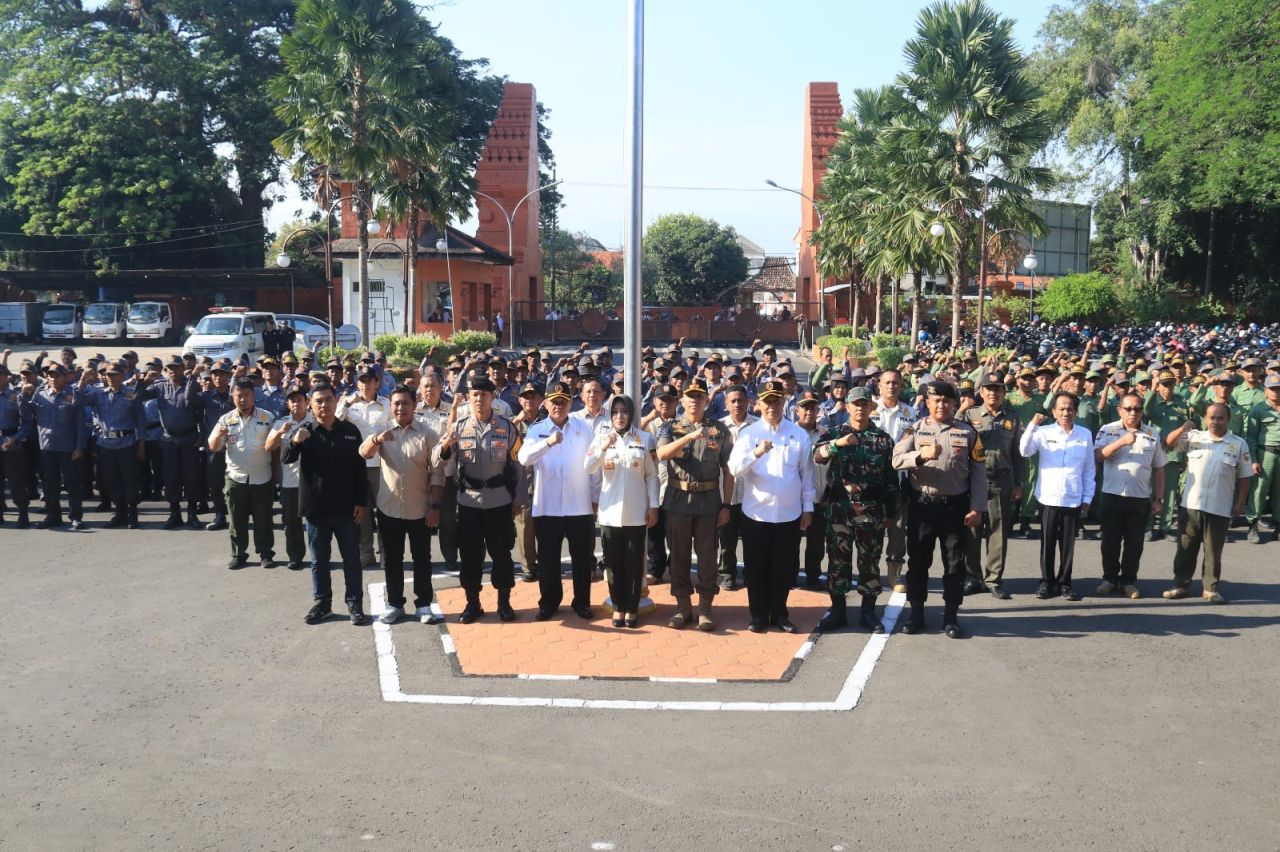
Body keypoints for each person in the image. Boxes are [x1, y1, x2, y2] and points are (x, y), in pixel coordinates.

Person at [891, 381, 986, 638]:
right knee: (919, 563)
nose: (941, 405)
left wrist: (977, 507)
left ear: (954, 403)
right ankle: (916, 614)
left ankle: (951, 616)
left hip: (955, 508)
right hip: (922, 506)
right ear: (928, 403)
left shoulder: (968, 433)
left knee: (954, 564)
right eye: (936, 401)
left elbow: (979, 473)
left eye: (946, 401)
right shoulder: (914, 429)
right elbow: (896, 459)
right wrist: (920, 456)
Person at [434, 376, 527, 624]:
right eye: (474, 394)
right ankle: (472, 603)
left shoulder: (507, 428)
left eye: (483, 394)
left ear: (492, 397)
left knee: (502, 555)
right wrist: (446, 445)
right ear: (468, 398)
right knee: (471, 557)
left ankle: (504, 603)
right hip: (469, 504)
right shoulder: (458, 427)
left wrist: (518, 500)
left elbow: (518, 467)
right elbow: (437, 460)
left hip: (500, 503)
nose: (479, 399)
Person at [727, 379, 814, 633]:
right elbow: (734, 469)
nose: (772, 406)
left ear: (784, 402)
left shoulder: (798, 434)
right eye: (767, 401)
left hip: (788, 514)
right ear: (758, 404)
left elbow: (806, 475)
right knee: (756, 569)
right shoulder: (749, 434)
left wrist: (808, 508)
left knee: (784, 568)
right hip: (757, 514)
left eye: (776, 400)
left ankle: (780, 613)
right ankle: (757, 615)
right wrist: (755, 453)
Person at [812, 386, 899, 633]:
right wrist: (838, 444)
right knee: (838, 561)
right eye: (855, 404)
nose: (860, 408)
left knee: (869, 561)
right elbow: (817, 456)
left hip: (871, 509)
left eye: (864, 404)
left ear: (872, 407)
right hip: (840, 507)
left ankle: (868, 613)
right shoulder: (834, 433)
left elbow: (891, 480)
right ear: (847, 407)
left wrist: (892, 512)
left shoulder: (883, 439)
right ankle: (838, 610)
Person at [283, 383, 370, 625]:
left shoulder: (351, 431)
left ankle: (355, 603)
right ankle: (322, 603)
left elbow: (359, 470)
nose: (324, 405)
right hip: (316, 509)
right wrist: (295, 442)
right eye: (318, 401)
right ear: (311, 404)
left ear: (336, 401)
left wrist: (362, 503)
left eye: (328, 399)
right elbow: (286, 458)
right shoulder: (305, 430)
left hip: (346, 509)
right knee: (319, 561)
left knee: (351, 559)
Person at [360, 386, 445, 625]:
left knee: (422, 558)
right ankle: (395, 603)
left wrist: (435, 506)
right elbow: (364, 454)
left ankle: (424, 604)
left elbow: (437, 473)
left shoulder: (427, 434)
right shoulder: (383, 431)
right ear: (391, 406)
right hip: (389, 508)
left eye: (405, 403)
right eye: (396, 403)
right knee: (393, 559)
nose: (400, 408)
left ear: (413, 405)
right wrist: (377, 440)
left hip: (420, 509)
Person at [655, 378, 734, 631]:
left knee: (708, 556)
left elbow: (728, 470)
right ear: (682, 400)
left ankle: (705, 608)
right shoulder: (670, 427)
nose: (694, 400)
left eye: (699, 396)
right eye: (690, 396)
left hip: (709, 503)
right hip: (677, 501)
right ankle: (682, 607)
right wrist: (689, 436)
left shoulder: (719, 430)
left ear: (706, 400)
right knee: (677, 556)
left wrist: (727, 505)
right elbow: (662, 454)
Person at [518, 381, 600, 620]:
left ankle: (582, 602)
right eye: (554, 402)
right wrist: (547, 442)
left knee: (582, 559)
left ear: (570, 403)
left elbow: (594, 468)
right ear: (546, 403)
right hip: (548, 506)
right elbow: (524, 458)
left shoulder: (583, 428)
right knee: (548, 559)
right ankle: (549, 602)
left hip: (579, 505)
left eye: (563, 402)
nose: (558, 406)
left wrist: (594, 500)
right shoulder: (537, 429)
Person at [1163, 404, 1253, 603]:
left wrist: (1240, 502)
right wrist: (1183, 427)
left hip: (1219, 507)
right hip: (1191, 504)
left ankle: (1210, 589)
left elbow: (1245, 476)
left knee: (1213, 551)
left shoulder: (1238, 444)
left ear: (1227, 420)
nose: (1216, 421)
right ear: (1205, 418)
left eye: (1220, 418)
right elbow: (1169, 443)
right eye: (1211, 417)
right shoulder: (1194, 437)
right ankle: (1181, 585)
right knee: (1185, 548)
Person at [585, 395, 660, 628]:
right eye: (615, 412)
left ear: (631, 414)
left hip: (636, 513)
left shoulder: (645, 439)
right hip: (609, 513)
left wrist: (654, 506)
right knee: (613, 562)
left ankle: (632, 606)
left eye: (624, 411)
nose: (620, 416)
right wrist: (603, 448)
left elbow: (652, 475)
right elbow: (588, 467)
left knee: (634, 563)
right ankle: (618, 606)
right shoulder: (601, 438)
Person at [1018, 391, 1095, 601]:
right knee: (1048, 542)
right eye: (1061, 408)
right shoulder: (1043, 432)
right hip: (1049, 497)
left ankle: (1065, 583)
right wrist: (1032, 425)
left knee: (1068, 545)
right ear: (1053, 411)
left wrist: (1088, 497)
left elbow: (1089, 469)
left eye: (1070, 408)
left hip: (1073, 496)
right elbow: (1024, 451)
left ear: (1075, 411)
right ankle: (1046, 581)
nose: (1066, 412)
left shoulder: (1085, 434)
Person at [1094, 392, 1167, 598]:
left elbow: (1159, 468)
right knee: (1110, 541)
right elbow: (1097, 456)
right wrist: (1122, 442)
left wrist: (1158, 499)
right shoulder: (1108, 430)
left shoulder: (1153, 433)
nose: (1133, 413)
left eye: (1137, 409)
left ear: (1142, 410)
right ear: (1120, 410)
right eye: (1128, 409)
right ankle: (1109, 578)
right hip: (1112, 494)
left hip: (1139, 497)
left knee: (1135, 542)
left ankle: (1128, 581)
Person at [959, 371, 1024, 599]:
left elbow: (1018, 453)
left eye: (997, 389)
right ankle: (973, 577)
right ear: (981, 392)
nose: (993, 393)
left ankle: (993, 579)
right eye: (989, 389)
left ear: (1003, 392)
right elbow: (956, 437)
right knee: (973, 531)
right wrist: (961, 409)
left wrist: (1019, 483)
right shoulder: (970, 414)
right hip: (976, 480)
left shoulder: (1013, 418)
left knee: (998, 531)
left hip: (1002, 480)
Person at [207, 378, 276, 570]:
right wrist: (220, 434)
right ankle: (239, 554)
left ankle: (265, 554)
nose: (243, 399)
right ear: (233, 396)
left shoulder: (267, 417)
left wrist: (276, 475)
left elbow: (275, 448)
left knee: (263, 519)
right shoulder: (225, 420)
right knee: (236, 520)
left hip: (262, 476)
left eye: (246, 395)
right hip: (236, 477)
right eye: (239, 395)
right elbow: (213, 446)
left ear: (254, 396)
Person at [21, 363, 88, 529]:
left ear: (64, 377)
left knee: (73, 485)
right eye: (50, 375)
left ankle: (76, 516)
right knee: (50, 485)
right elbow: (27, 415)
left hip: (68, 448)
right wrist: (23, 395)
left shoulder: (73, 395)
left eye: (57, 375)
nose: (53, 378)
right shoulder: (40, 394)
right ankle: (53, 515)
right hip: (46, 448)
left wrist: (80, 447)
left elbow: (80, 423)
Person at [80, 360, 147, 529]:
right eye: (107, 375)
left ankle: (132, 515)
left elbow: (141, 421)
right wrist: (82, 380)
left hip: (127, 443)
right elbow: (77, 401)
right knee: (111, 480)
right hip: (105, 444)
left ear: (122, 376)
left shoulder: (130, 394)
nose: (109, 378)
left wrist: (141, 445)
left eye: (113, 375)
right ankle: (120, 513)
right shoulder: (98, 394)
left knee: (129, 480)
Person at [338, 365, 390, 566]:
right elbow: (334, 419)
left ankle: (386, 553)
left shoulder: (386, 405)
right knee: (361, 511)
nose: (365, 384)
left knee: (384, 511)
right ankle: (366, 552)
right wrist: (347, 402)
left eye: (368, 380)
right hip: (356, 466)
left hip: (381, 465)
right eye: (361, 380)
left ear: (376, 383)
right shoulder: (349, 404)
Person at [871, 368, 917, 592]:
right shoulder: (869, 409)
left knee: (898, 527)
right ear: (879, 385)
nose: (891, 386)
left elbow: (912, 442)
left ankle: (894, 573)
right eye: (887, 382)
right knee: (872, 525)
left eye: (896, 383)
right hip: (873, 477)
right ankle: (869, 571)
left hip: (899, 477)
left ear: (902, 386)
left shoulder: (910, 412)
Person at [264, 387, 311, 571]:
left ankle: (318, 556)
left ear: (306, 402)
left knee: (316, 523)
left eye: (299, 400)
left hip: (313, 481)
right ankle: (295, 556)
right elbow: (268, 447)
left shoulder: (314, 421)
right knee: (291, 523)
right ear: (287, 404)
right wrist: (280, 432)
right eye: (292, 401)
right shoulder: (281, 423)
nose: (296, 404)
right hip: (290, 481)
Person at [716, 384, 757, 590]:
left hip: (753, 494)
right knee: (727, 539)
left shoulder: (758, 426)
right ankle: (727, 574)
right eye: (733, 401)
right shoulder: (719, 427)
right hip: (727, 495)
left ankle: (752, 574)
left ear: (748, 401)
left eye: (741, 400)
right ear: (726, 404)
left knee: (752, 539)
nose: (737, 404)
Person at [511, 381, 544, 583]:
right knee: (524, 528)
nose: (529, 400)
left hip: (545, 482)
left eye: (533, 396)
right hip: (522, 482)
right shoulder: (511, 424)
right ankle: (529, 566)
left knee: (547, 527)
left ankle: (547, 562)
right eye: (525, 396)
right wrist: (515, 422)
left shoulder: (548, 423)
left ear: (541, 399)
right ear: (520, 400)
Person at [1243, 374, 1280, 544]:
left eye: (1278, 389)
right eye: (1272, 389)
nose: (1276, 392)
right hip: (1266, 454)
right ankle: (1252, 524)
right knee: (1258, 491)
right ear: (1265, 390)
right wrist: (1254, 460)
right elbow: (1251, 437)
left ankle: (1278, 524)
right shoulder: (1258, 410)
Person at [0, 363, 33, 527]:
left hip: (10, 441)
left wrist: (16, 438)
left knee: (16, 480)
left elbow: (27, 422)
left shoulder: (16, 396)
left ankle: (23, 514)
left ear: (7, 378)